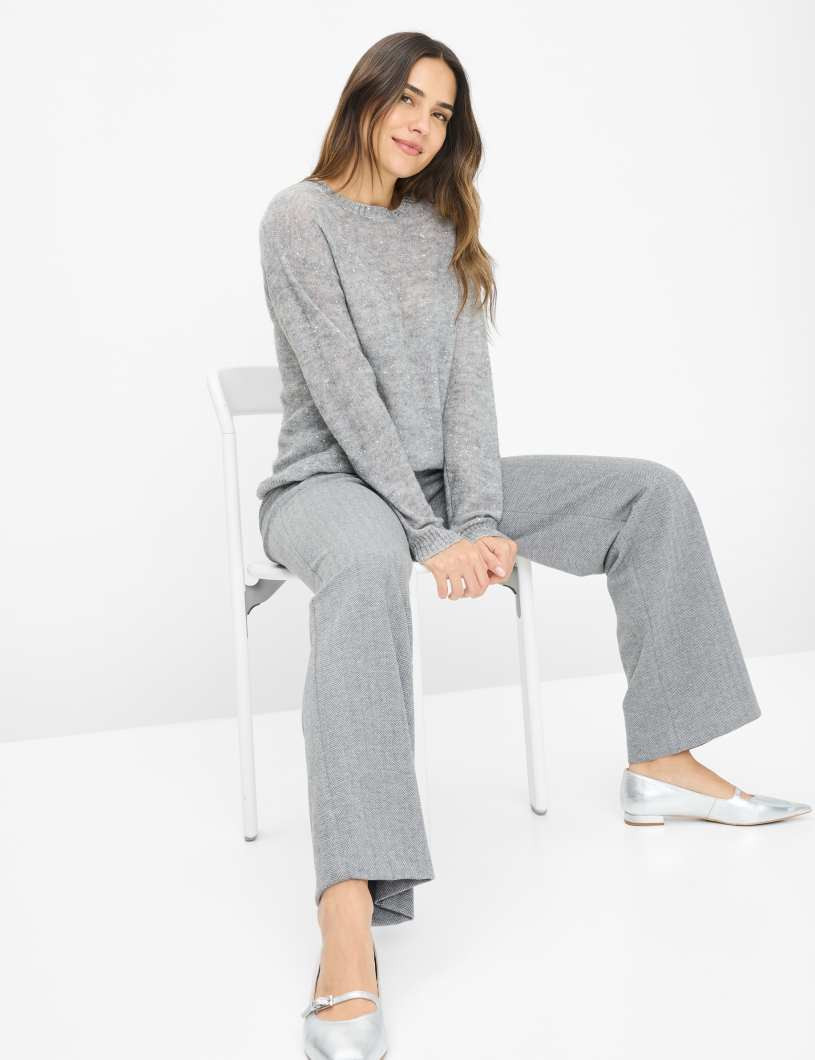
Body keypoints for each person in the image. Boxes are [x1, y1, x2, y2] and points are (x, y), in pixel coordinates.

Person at [255, 31, 811, 1060]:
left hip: (437, 487)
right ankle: (347, 911)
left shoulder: (442, 230)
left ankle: (663, 757)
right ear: (365, 99)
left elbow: (467, 400)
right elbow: (345, 398)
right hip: (325, 486)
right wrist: (430, 537)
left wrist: (474, 520)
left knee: (646, 494)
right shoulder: (299, 217)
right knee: (368, 565)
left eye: (441, 112)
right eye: (407, 99)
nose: (421, 125)